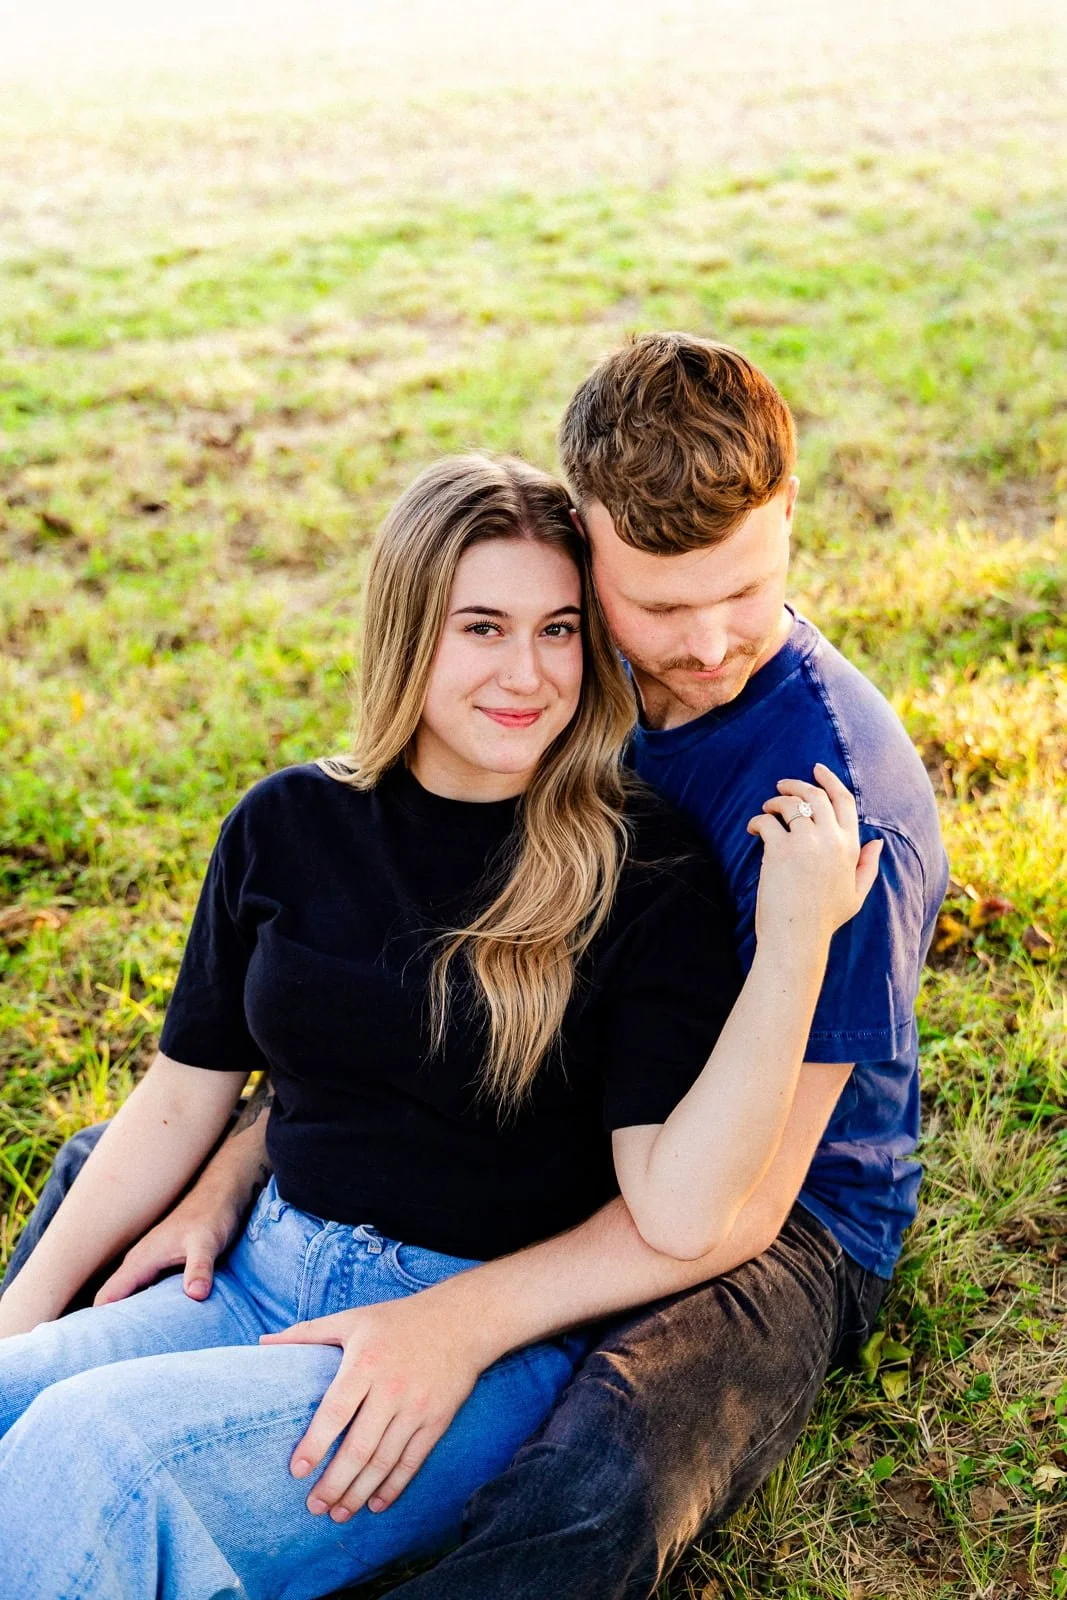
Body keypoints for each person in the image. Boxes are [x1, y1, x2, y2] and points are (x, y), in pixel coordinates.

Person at [0, 451, 877, 1599]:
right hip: (254, 1280)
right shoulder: (285, 824)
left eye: (559, 629)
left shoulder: (640, 867)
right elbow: (178, 1098)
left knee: (94, 1458)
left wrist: (797, 941)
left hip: (466, 1351)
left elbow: (679, 1205)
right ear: (408, 629)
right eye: (481, 627)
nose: (527, 672)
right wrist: (18, 1318)